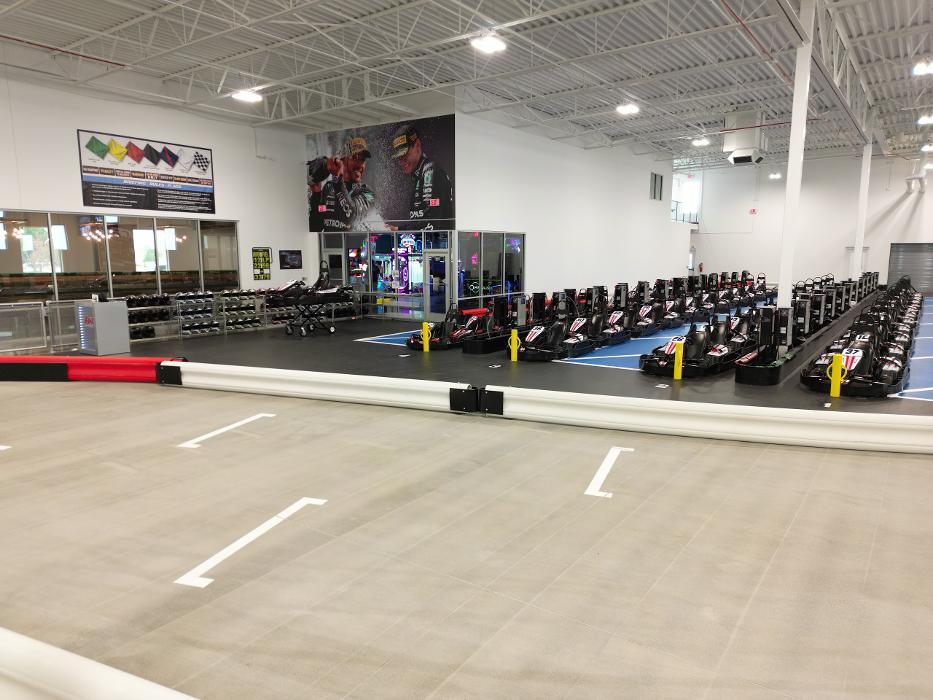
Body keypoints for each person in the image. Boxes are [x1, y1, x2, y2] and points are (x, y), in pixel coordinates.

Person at [389, 123, 453, 230]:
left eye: (404, 154)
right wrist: (398, 230)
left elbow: (431, 223)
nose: (401, 161)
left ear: (417, 145)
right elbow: (420, 220)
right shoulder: (418, 174)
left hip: (438, 239)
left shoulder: (430, 171)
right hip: (428, 238)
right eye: (398, 157)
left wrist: (400, 231)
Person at [308, 136, 376, 232]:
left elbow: (350, 215)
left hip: (354, 242)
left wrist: (337, 179)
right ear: (343, 160)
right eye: (355, 158)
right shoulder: (329, 188)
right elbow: (316, 226)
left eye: (363, 160)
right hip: (327, 242)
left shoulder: (368, 194)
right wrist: (316, 194)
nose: (360, 165)